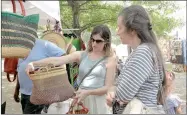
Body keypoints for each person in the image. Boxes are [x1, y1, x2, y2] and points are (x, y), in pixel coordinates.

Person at [26, 25, 117, 114]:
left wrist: (89, 92)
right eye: (92, 39)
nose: (94, 44)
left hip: (99, 102)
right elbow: (57, 60)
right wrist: (34, 63)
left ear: (106, 42)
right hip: (81, 100)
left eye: (98, 41)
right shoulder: (82, 55)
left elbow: (108, 87)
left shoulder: (110, 59)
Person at [106, 5, 167, 114]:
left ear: (133, 30)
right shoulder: (147, 50)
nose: (117, 32)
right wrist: (113, 90)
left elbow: (122, 96)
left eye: (120, 27)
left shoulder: (143, 53)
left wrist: (110, 69)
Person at [15, 39, 65, 114]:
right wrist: (17, 89)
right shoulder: (21, 48)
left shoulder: (44, 44)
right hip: (24, 93)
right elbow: (20, 70)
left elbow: (63, 57)